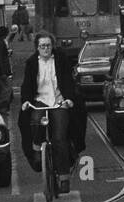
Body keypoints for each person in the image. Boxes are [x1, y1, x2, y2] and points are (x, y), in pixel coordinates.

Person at [20, 32, 79, 190]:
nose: (45, 48)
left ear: (52, 46)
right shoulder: (31, 63)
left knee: (60, 138)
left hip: (58, 101)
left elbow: (68, 80)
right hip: (40, 100)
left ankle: (64, 177)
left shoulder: (60, 59)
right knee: (35, 120)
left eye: (48, 45)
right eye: (42, 46)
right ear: (37, 48)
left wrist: (69, 99)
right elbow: (26, 85)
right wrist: (25, 101)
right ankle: (37, 148)